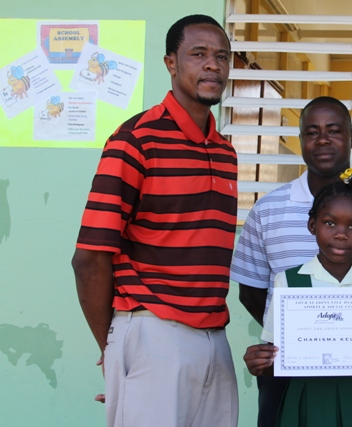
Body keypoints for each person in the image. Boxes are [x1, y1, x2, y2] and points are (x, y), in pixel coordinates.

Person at [71, 14, 239, 427]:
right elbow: (89, 258)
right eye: (198, 54)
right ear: (171, 63)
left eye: (221, 56)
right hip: (154, 331)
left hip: (216, 338)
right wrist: (113, 347)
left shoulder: (224, 151)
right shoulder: (135, 141)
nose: (212, 65)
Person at [230, 96, 352, 427]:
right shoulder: (267, 210)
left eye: (334, 130)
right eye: (312, 132)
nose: (323, 140)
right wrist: (297, 335)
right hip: (286, 374)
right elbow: (252, 292)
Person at [243, 171, 352, 427]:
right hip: (305, 399)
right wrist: (259, 363)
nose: (341, 234)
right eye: (330, 223)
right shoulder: (288, 282)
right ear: (313, 225)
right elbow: (278, 359)